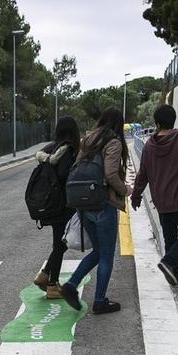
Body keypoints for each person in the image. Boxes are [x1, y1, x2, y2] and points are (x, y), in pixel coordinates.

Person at [61, 108, 132, 315]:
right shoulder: (113, 142)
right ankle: (99, 301)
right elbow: (110, 174)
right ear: (118, 124)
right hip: (104, 203)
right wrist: (125, 189)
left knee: (98, 252)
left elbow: (76, 167)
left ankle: (71, 284)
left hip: (84, 204)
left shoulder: (88, 138)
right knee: (107, 255)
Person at [131, 104, 178, 288]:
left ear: (156, 122)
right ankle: (168, 262)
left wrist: (136, 196)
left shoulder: (149, 145)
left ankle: (175, 275)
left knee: (170, 238)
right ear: (173, 119)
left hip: (160, 201)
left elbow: (142, 174)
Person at [32, 116, 81, 299]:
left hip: (50, 202)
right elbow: (62, 174)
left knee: (59, 243)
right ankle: (49, 281)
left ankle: (49, 279)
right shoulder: (67, 149)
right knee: (62, 243)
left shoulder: (50, 148)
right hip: (63, 203)